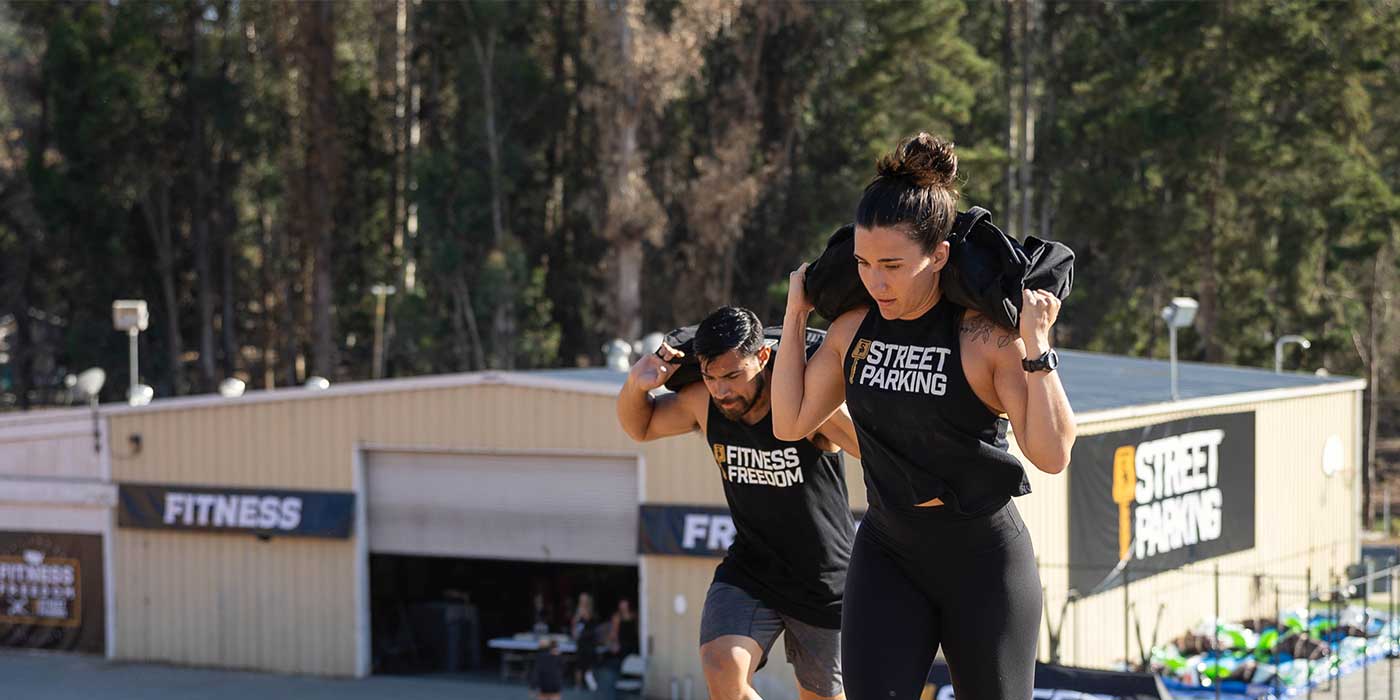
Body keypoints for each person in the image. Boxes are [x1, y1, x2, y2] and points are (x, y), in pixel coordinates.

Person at [771, 132, 1076, 700]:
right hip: (889, 552)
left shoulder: (985, 339)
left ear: (938, 256)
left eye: (892, 264)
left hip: (984, 561)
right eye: (863, 263)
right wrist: (795, 313)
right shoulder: (852, 330)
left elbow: (1052, 453)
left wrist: (1037, 343)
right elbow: (789, 421)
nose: (875, 281)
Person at [616, 306, 861, 700]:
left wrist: (832, 397)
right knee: (721, 666)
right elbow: (640, 426)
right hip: (752, 570)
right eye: (712, 377)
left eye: (733, 376)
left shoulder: (806, 403)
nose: (722, 390)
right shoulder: (706, 404)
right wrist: (635, 385)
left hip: (825, 583)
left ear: (763, 358)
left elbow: (873, 452)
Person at [572, 592, 599, 691]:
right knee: (579, 664)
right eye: (581, 599)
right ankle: (578, 685)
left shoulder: (591, 612)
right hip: (581, 642)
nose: (582, 601)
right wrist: (578, 616)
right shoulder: (578, 612)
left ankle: (590, 683)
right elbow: (574, 627)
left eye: (584, 599)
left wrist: (583, 613)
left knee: (589, 664)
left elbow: (591, 622)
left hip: (590, 642)